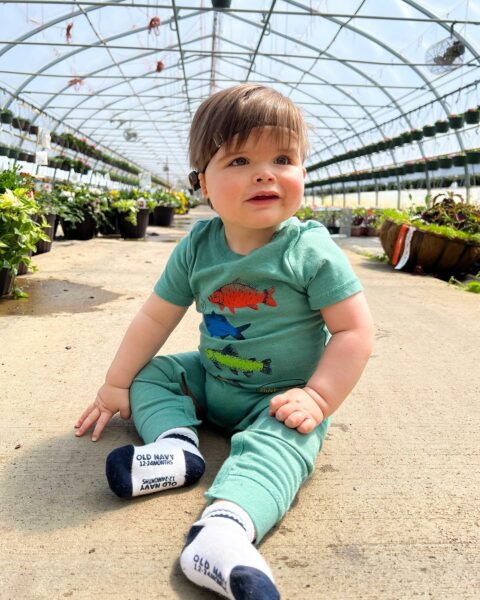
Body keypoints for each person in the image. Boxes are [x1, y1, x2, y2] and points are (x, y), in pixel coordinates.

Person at [75, 84, 374, 599]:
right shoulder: (197, 245)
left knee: (285, 441)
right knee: (153, 373)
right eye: (239, 158)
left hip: (277, 397)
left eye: (283, 157)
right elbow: (154, 317)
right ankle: (175, 450)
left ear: (302, 171)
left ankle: (223, 529)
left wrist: (317, 397)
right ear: (202, 184)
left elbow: (354, 330)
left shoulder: (310, 250)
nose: (264, 173)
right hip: (209, 381)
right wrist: (115, 384)